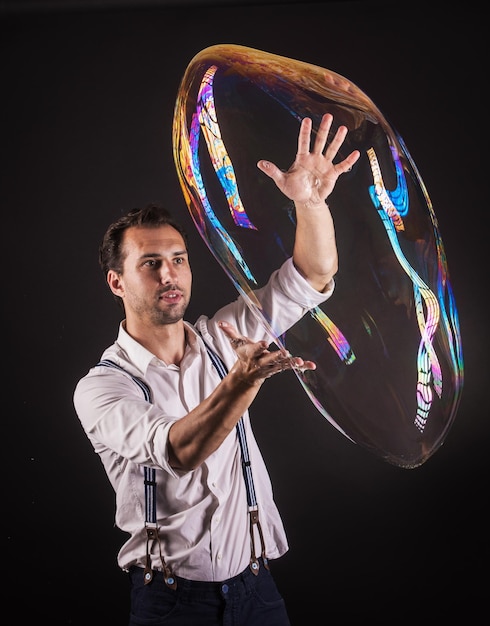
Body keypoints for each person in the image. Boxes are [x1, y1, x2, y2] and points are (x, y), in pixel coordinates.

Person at [73, 113, 360, 626]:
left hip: (259, 592)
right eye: (150, 263)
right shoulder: (102, 388)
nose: (170, 274)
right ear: (117, 282)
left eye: (179, 259)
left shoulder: (223, 336)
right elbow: (177, 451)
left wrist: (310, 204)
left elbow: (313, 276)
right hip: (172, 604)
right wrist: (242, 382)